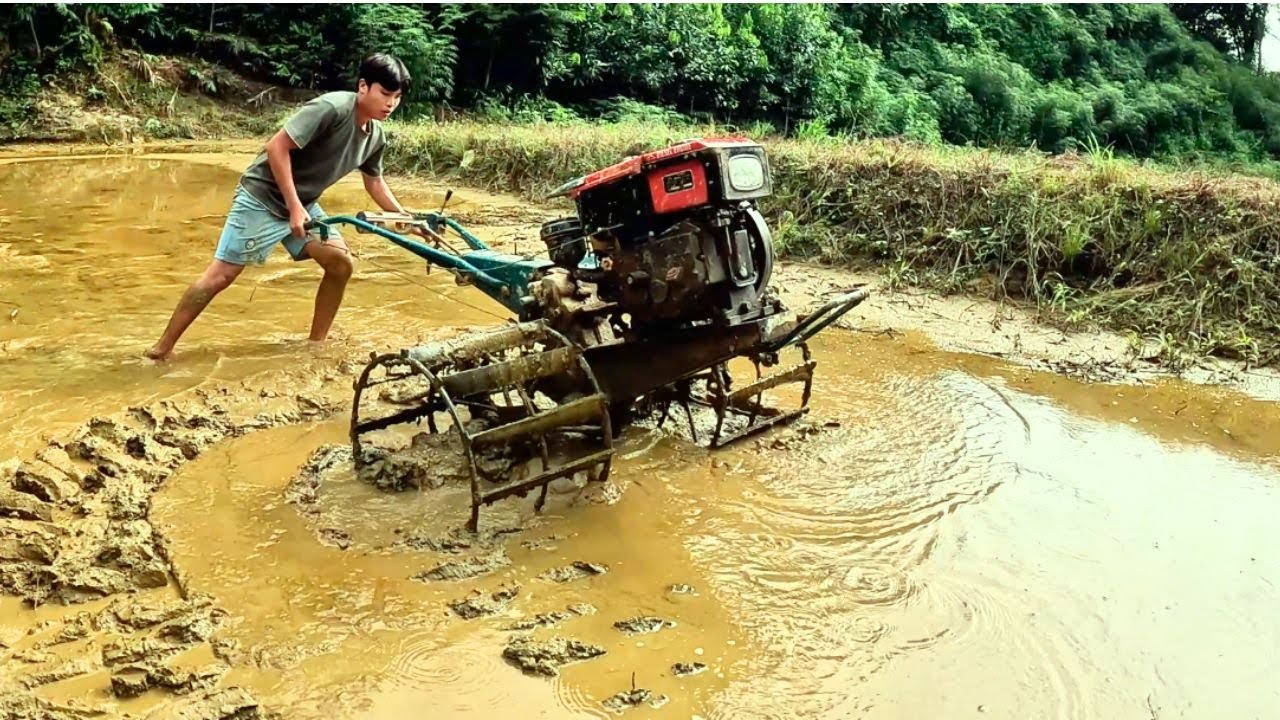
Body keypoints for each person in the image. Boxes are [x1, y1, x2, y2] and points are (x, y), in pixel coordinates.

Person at [145, 53, 416, 360]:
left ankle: (316, 345)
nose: (391, 104)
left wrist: (406, 217)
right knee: (221, 275)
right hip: (262, 196)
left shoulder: (375, 136)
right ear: (364, 86)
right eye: (385, 94)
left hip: (304, 203)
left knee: (340, 264)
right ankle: (160, 350)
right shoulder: (331, 109)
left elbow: (374, 183)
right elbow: (276, 147)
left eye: (397, 97)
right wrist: (294, 206)